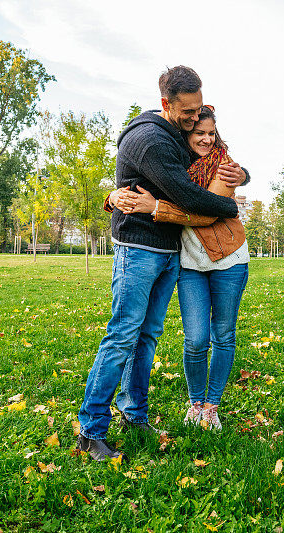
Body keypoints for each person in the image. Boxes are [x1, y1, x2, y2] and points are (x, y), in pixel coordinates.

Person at [76, 66, 248, 461]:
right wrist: (229, 206)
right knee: (123, 335)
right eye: (187, 111)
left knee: (147, 336)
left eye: (198, 109)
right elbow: (190, 197)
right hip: (138, 249)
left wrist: (244, 174)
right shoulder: (151, 139)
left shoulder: (177, 132)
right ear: (165, 104)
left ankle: (134, 414)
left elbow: (214, 152)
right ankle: (91, 428)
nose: (194, 117)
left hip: (169, 250)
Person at [107, 105, 249, 431]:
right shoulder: (174, 163)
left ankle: (211, 407)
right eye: (199, 133)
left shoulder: (223, 166)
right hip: (190, 262)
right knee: (196, 339)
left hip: (227, 259)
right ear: (186, 134)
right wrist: (113, 197)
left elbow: (206, 213)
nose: (206, 139)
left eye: (211, 133)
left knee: (223, 335)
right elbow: (147, 182)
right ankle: (195, 402)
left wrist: (156, 208)